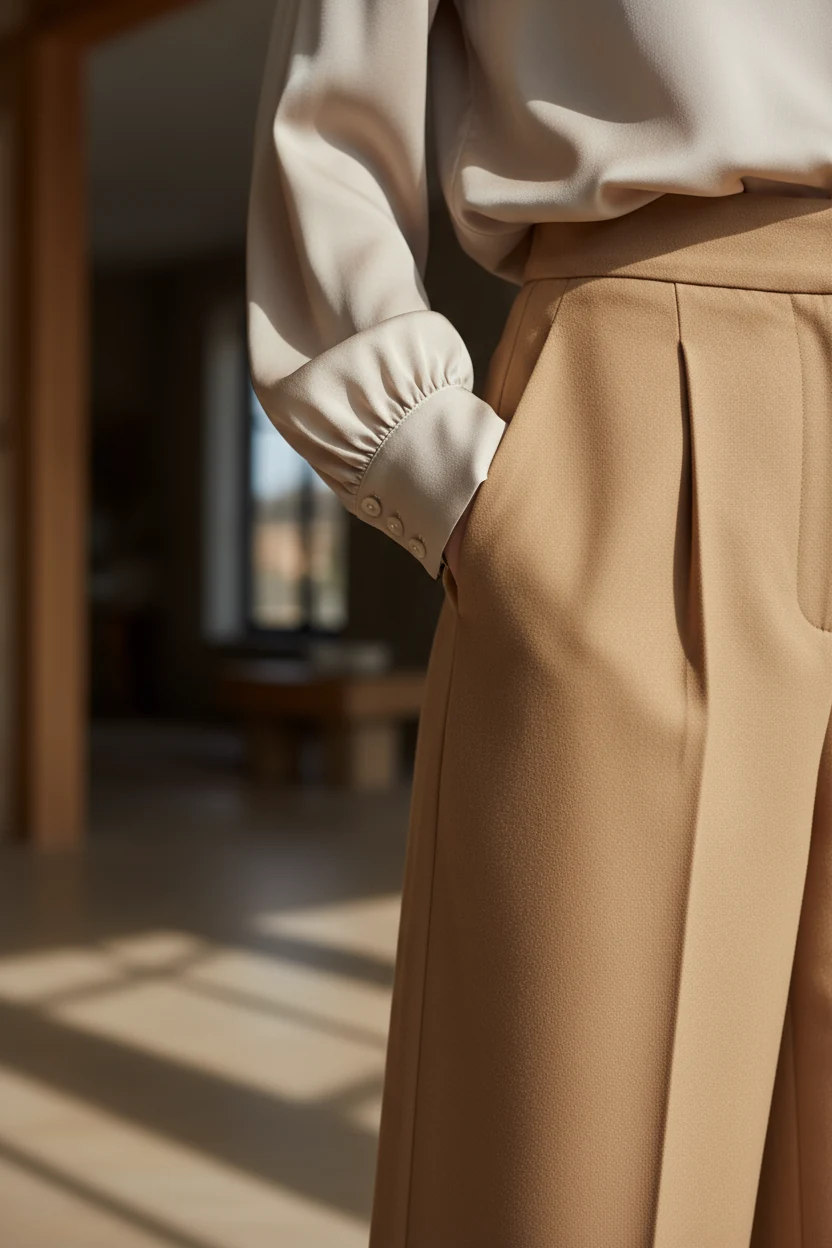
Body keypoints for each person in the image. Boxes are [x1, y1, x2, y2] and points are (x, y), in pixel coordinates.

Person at [246, 3, 832, 1244]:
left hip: (651, 413)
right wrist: (456, 487)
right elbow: (329, 141)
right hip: (650, 405)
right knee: (574, 1171)